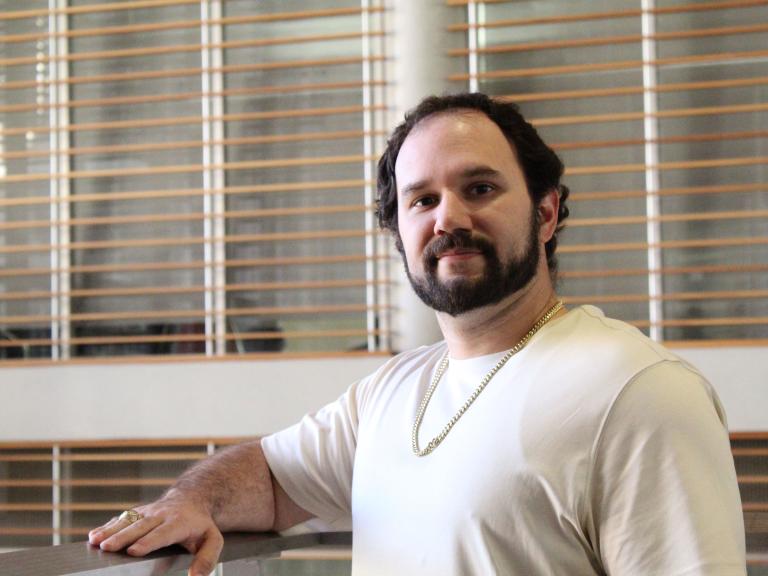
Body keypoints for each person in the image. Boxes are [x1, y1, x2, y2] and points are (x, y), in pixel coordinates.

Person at [88, 93, 746, 576]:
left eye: (480, 188)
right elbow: (268, 475)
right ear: (399, 230)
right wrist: (190, 501)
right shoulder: (393, 392)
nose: (448, 216)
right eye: (422, 199)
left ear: (546, 214)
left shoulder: (639, 391)